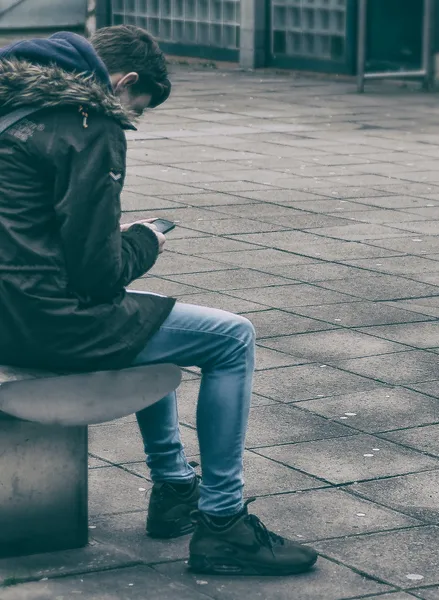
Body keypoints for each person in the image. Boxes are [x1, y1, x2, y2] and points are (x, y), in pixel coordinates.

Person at [0, 25, 317, 576]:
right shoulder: (88, 122)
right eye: (137, 108)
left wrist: (103, 235)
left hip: (9, 311)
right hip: (44, 322)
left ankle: (174, 487)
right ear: (122, 83)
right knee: (231, 337)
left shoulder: (13, 110)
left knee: (149, 316)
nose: (131, 118)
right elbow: (98, 275)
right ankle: (224, 524)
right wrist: (144, 239)